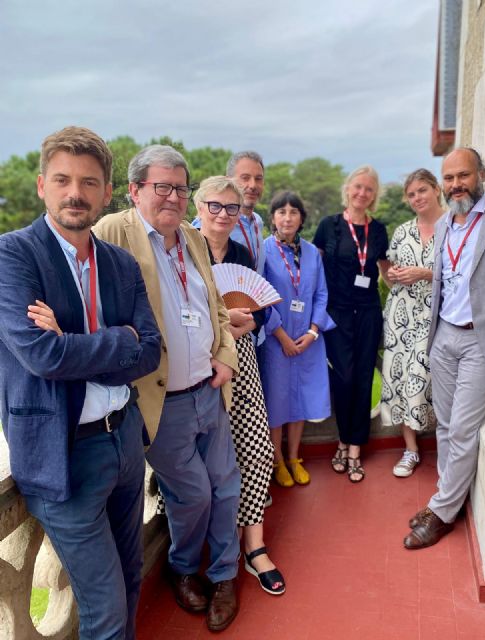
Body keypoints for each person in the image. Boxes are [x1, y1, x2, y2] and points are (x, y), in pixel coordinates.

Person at [0, 126, 161, 640]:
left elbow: (151, 350)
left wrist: (73, 341)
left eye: (89, 183)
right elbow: (42, 355)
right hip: (62, 453)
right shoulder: (13, 255)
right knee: (106, 609)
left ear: (107, 192)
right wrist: (119, 339)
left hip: (125, 440)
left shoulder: (120, 263)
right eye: (64, 180)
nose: (76, 193)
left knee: (131, 579)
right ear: (41, 184)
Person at [93, 146, 241, 632]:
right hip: (163, 401)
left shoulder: (193, 241)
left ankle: (223, 576)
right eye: (163, 187)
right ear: (135, 191)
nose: (174, 197)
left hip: (210, 390)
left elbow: (215, 306)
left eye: (181, 187)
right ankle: (182, 569)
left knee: (226, 487)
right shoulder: (114, 232)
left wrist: (225, 355)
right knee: (193, 493)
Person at [403, 147, 485, 549]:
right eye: (449, 178)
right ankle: (448, 496)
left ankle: (442, 511)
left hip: (480, 338)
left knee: (462, 429)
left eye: (463, 175)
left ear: (480, 174)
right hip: (444, 334)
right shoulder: (446, 224)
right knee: (443, 424)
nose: (456, 185)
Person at [194, 175, 285, 596]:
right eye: (215, 206)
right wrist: (219, 322)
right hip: (195, 362)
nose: (223, 215)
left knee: (256, 448)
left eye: (231, 209)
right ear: (198, 206)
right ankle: (206, 549)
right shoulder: (181, 249)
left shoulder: (243, 253)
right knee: (207, 456)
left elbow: (260, 305)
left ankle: (255, 545)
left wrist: (250, 321)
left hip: (242, 357)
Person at [313, 166, 389, 482]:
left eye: (369, 189)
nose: (362, 193)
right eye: (358, 187)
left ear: (375, 195)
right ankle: (342, 438)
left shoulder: (380, 230)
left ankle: (354, 448)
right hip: (337, 314)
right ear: (348, 189)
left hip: (369, 311)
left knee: (362, 378)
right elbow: (314, 271)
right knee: (342, 380)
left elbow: (386, 271)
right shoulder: (328, 226)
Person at [261, 191, 335, 487]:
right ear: (273, 218)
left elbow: (321, 294)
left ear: (302, 218)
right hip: (276, 342)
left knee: (301, 402)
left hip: (307, 341)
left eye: (294, 212)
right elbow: (261, 297)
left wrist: (313, 331)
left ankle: (294, 457)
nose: (288, 217)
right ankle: (277, 461)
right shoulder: (263, 251)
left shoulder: (312, 253)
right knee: (276, 404)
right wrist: (281, 335)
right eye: (281, 212)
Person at [381, 169, 443, 477]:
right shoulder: (402, 231)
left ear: (436, 189)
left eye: (422, 190)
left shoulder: (453, 227)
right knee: (402, 380)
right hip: (400, 316)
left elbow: (464, 274)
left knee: (425, 378)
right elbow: (391, 272)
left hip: (437, 317)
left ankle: (446, 446)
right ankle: (411, 449)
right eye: (412, 194)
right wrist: (393, 275)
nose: (417, 197)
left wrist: (426, 274)